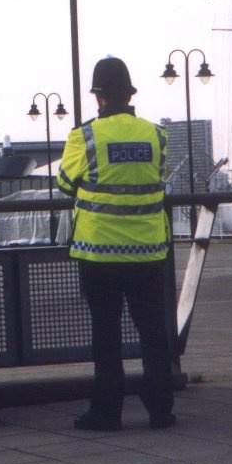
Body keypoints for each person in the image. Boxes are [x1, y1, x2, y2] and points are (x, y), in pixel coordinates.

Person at [57, 56, 176, 431]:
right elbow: (156, 178)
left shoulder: (84, 136)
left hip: (100, 252)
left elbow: (64, 182)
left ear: (98, 96)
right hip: (148, 249)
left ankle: (107, 413)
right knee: (153, 332)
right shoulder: (156, 134)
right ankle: (160, 409)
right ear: (129, 94)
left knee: (106, 335)